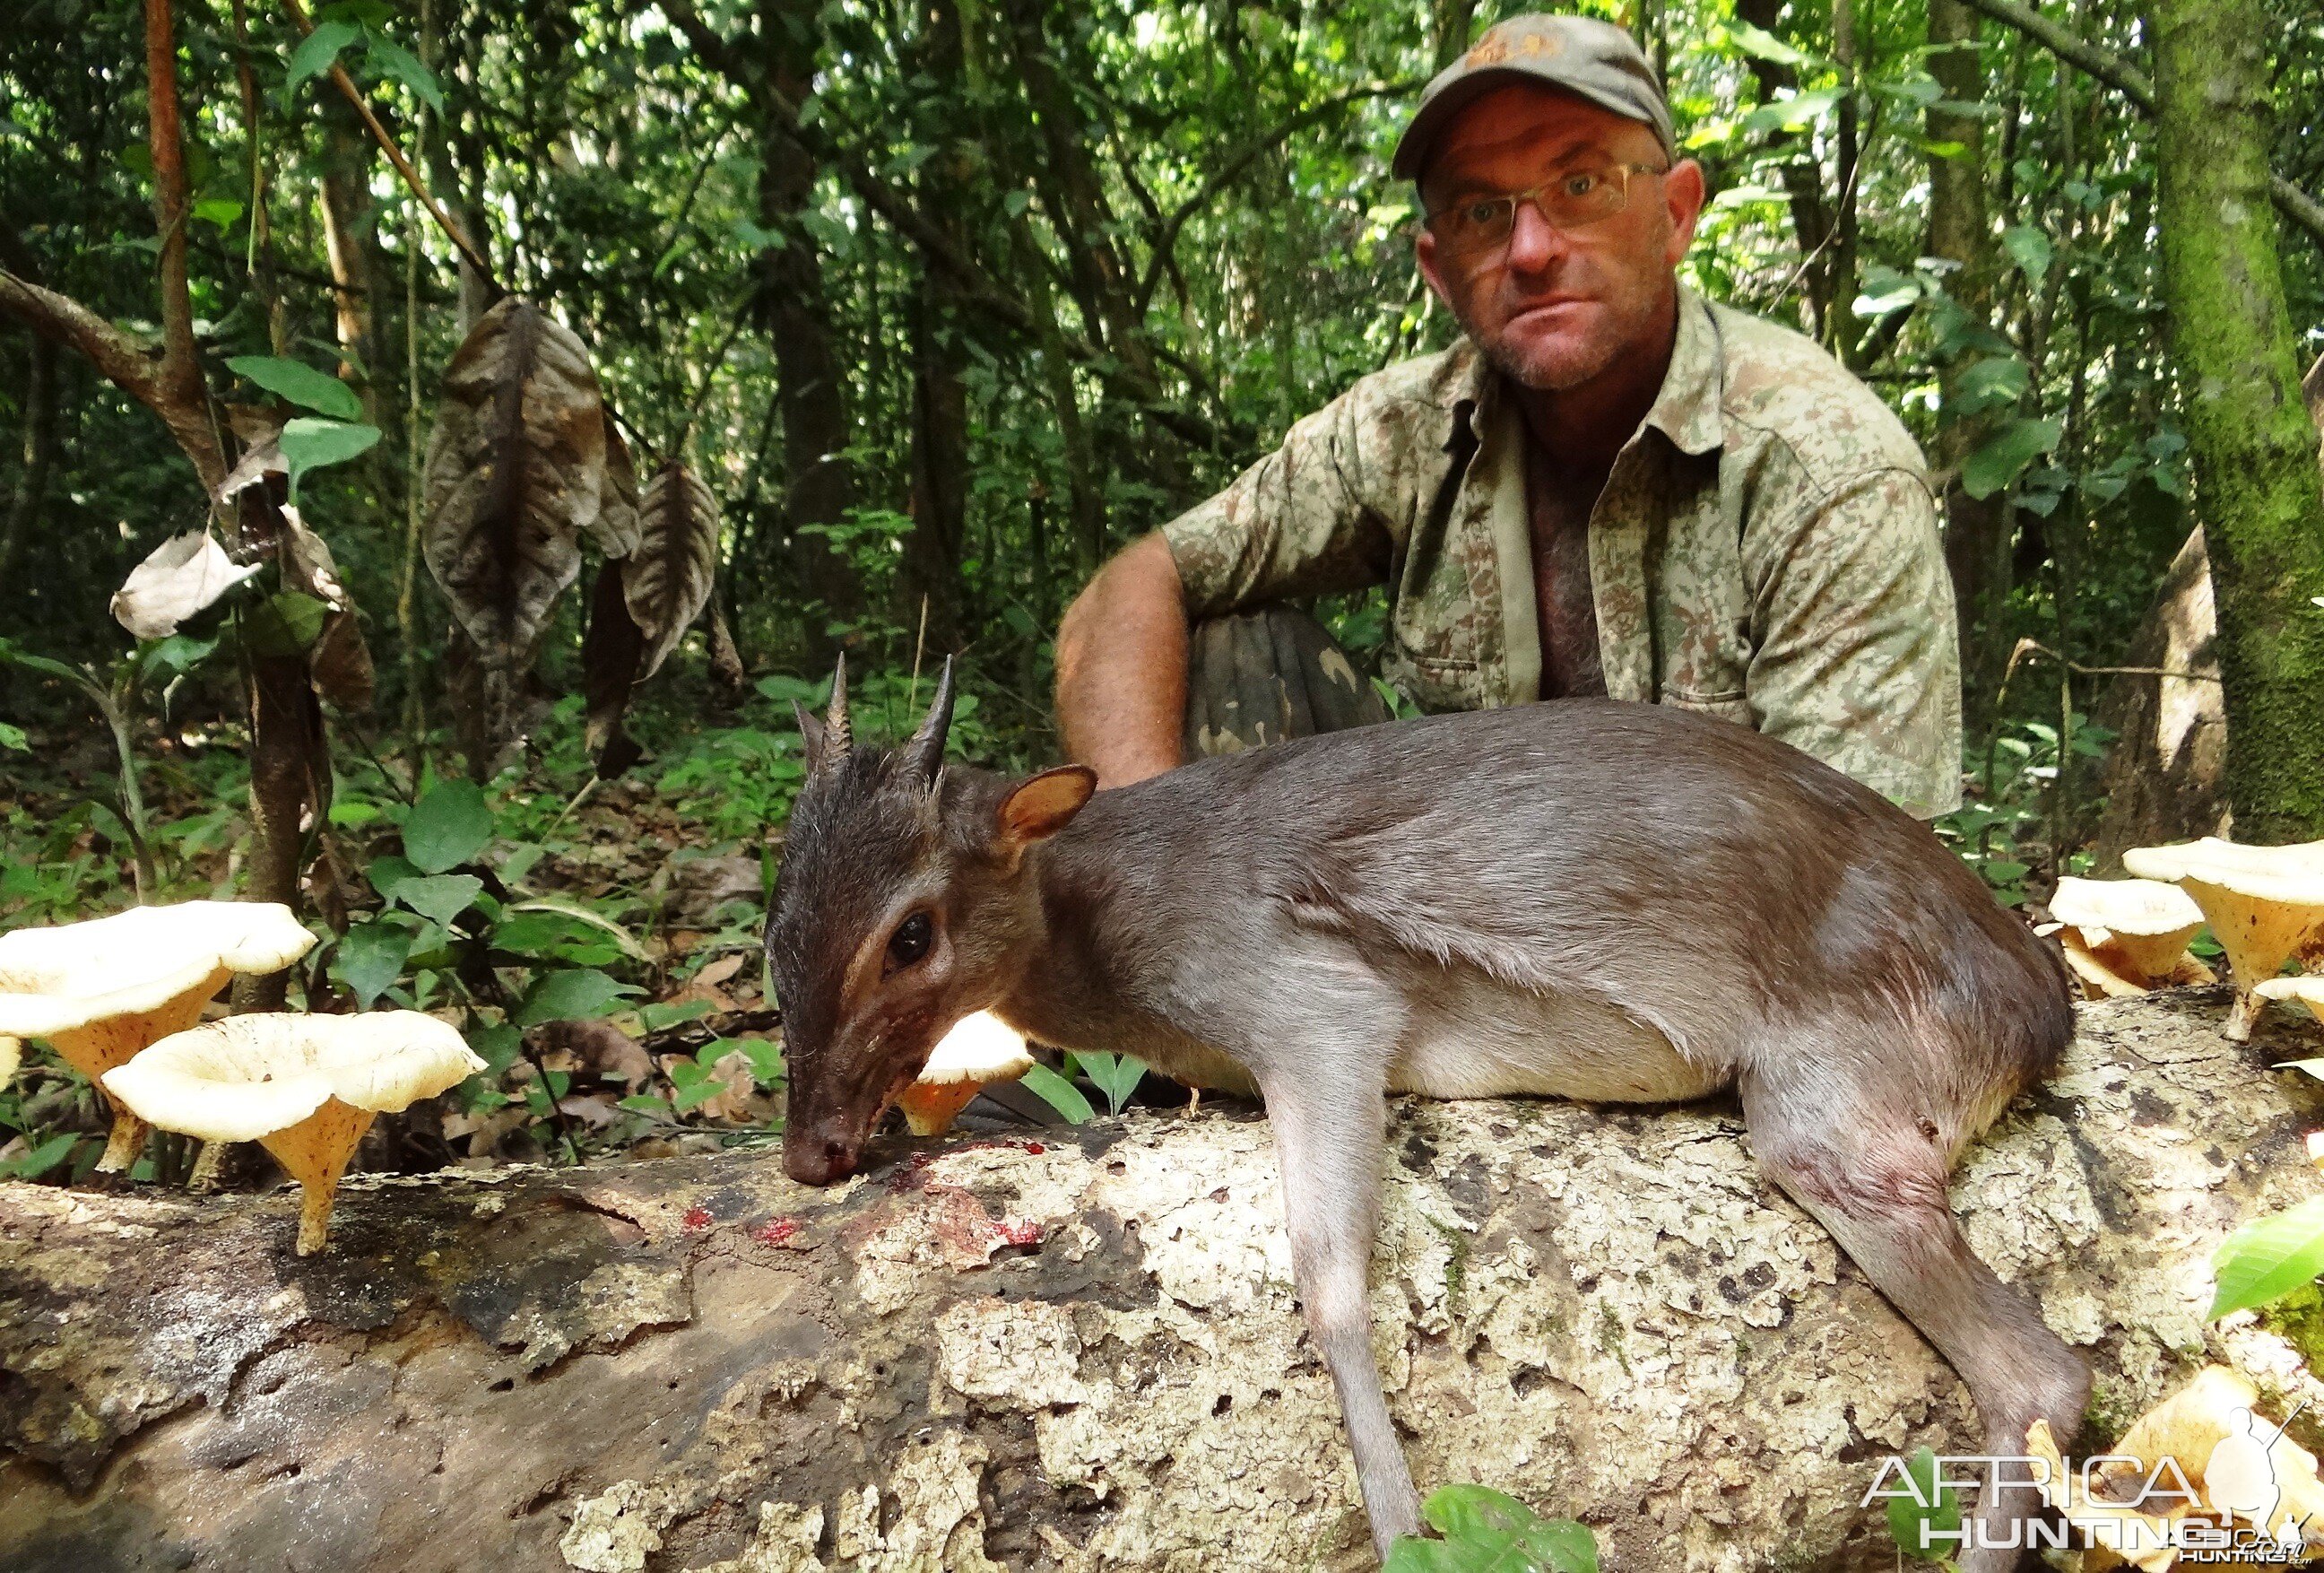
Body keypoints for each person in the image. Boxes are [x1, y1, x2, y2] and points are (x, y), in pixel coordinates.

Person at [1054, 13, 1963, 817]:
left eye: (1582, 186)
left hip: (1715, 955)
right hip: (1454, 923)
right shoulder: (1402, 432)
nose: (1529, 250)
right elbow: (1134, 579)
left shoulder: (1823, 467)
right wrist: (1146, 850)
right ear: (1439, 267)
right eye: (1483, 210)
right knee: (1233, 651)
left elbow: (1852, 885)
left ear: (1677, 213)